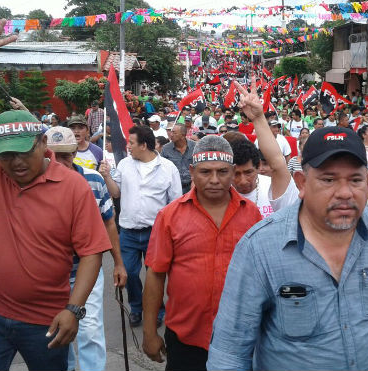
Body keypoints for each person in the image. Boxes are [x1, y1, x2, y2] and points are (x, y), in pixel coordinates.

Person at [207, 126, 368, 371]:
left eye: (355, 180)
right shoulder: (260, 248)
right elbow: (229, 352)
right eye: (328, 179)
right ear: (301, 183)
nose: (344, 193)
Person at [0, 109, 109, 370]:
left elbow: (92, 252)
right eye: (6, 155)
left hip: (46, 319)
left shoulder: (74, 186)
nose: (16, 162)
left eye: (25, 151)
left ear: (42, 142)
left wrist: (74, 310)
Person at [142, 135, 262, 370]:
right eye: (205, 172)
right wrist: (149, 332)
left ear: (233, 170)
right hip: (185, 338)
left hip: (240, 339)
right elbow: (155, 275)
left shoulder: (253, 215)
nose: (214, 180)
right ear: (192, 171)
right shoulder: (169, 217)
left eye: (222, 172)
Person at [45, 126, 128, 371]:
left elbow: (109, 222)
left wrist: (119, 263)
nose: (60, 162)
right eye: (53, 156)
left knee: (90, 329)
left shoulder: (93, 180)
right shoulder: (37, 184)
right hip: (50, 276)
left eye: (66, 155)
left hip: (87, 272)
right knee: (58, 331)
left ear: (74, 154)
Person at [99, 125, 182, 327]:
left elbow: (175, 202)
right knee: (129, 273)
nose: (128, 146)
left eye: (132, 143)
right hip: (128, 232)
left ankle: (157, 311)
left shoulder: (168, 168)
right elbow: (116, 193)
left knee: (155, 276)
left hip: (156, 233)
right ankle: (136, 307)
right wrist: (107, 176)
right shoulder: (125, 165)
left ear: (144, 145)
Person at [228, 81, 299, 219]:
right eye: (236, 174)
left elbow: (277, 162)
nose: (243, 181)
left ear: (258, 167)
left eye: (248, 172)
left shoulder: (272, 187)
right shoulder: (219, 193)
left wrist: (258, 118)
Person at [161, 124, 196, 194]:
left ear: (183, 135)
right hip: (173, 188)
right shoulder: (166, 148)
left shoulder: (195, 146)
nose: (171, 135)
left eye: (174, 133)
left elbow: (200, 166)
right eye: (171, 132)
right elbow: (162, 168)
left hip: (192, 186)